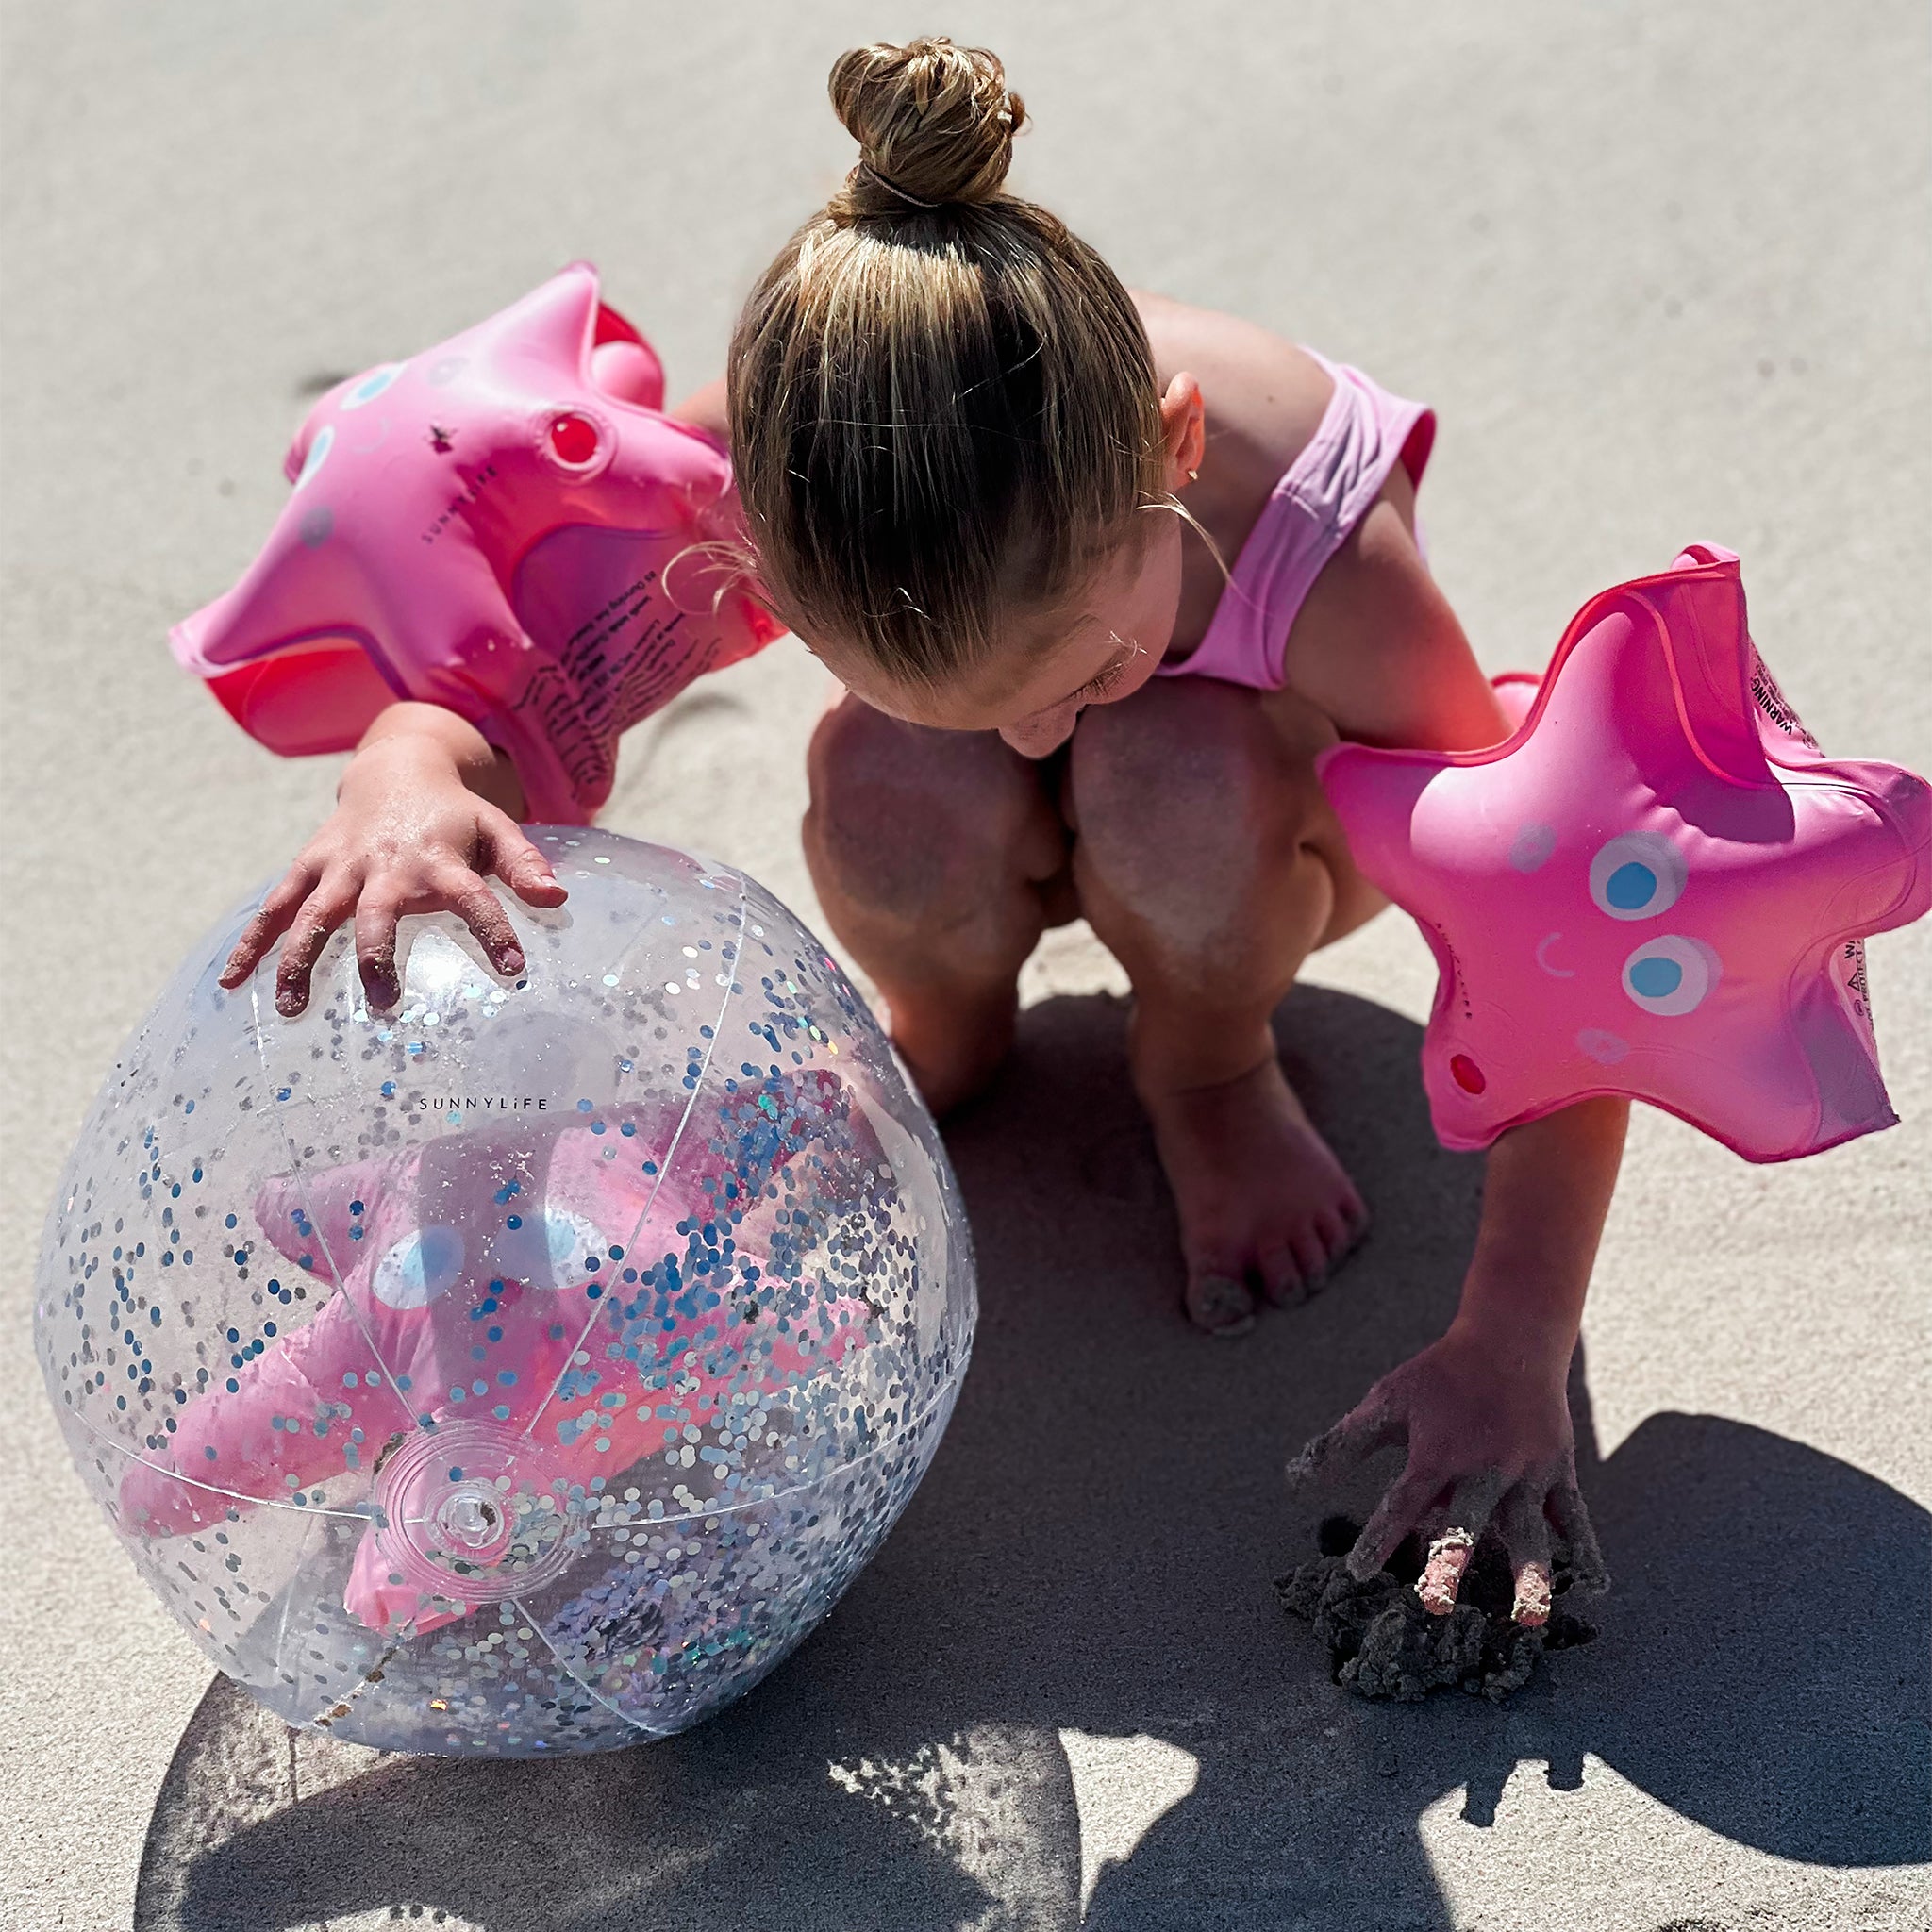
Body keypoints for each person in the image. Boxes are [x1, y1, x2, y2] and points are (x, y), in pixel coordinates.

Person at [215, 37, 1619, 1626]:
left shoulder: (1326, 555)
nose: (1041, 745)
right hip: (1040, 737)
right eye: (986, 708)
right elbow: (506, 688)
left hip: (1257, 815)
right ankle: (948, 1022)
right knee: (894, 781)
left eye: (1082, 672)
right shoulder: (771, 474)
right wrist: (406, 769)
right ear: (752, 547)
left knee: (1166, 765)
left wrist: (1515, 1345)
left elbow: (1549, 944)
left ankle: (1209, 1065)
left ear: (1174, 448)